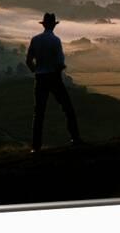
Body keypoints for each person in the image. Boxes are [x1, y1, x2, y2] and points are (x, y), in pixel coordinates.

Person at [26, 13, 82, 153]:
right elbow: (60, 63)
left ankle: (36, 146)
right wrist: (57, 72)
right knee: (67, 108)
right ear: (53, 25)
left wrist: (36, 70)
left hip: (40, 78)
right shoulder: (56, 40)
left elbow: (28, 60)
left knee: (39, 112)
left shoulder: (35, 39)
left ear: (44, 24)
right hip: (53, 77)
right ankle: (75, 138)